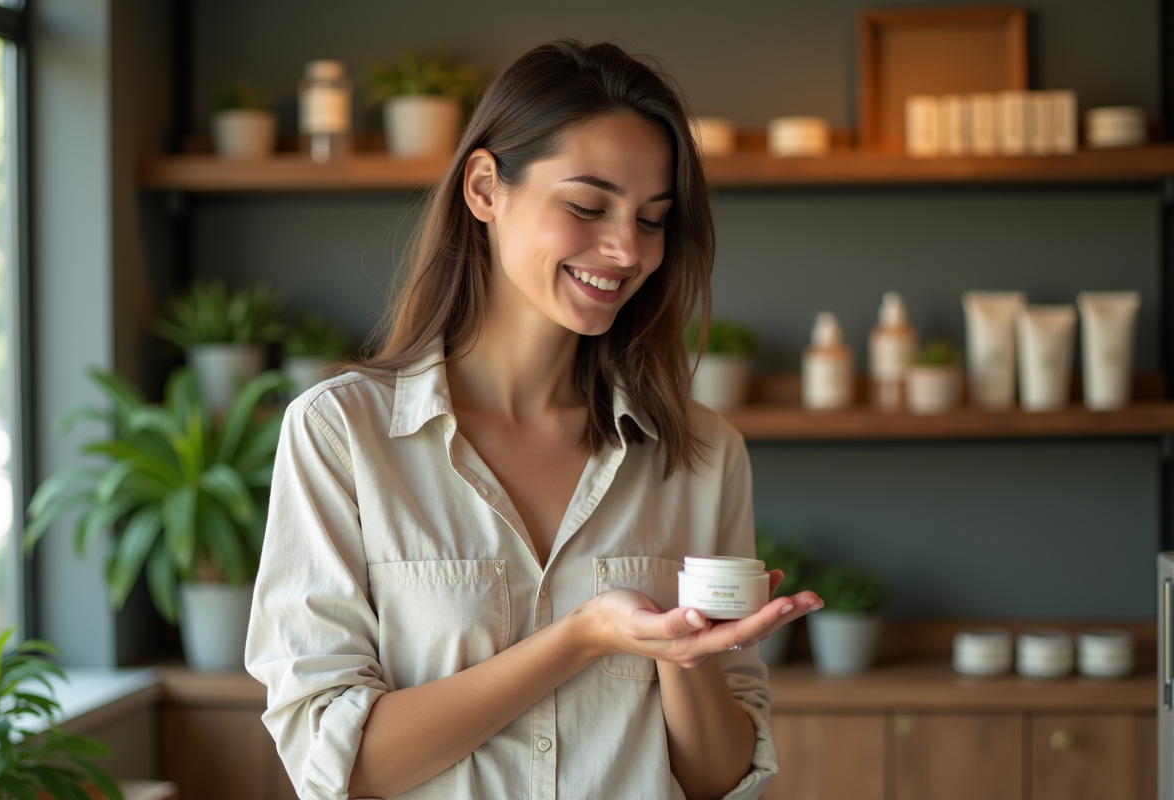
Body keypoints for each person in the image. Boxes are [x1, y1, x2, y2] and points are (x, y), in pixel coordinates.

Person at [245, 39, 823, 800]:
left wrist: (685, 655)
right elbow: (340, 767)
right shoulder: (341, 436)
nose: (626, 250)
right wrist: (582, 637)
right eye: (587, 206)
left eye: (653, 220)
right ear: (485, 189)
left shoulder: (704, 452)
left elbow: (718, 779)